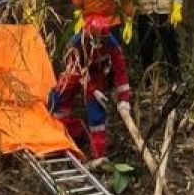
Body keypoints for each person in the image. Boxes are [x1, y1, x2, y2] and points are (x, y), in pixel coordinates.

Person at [48, 15, 132, 163]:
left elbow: (120, 69)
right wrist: (92, 89)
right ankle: (60, 129)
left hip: (97, 72)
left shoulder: (110, 42)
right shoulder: (77, 43)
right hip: (77, 71)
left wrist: (124, 98)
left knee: (96, 111)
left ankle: (97, 153)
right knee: (63, 91)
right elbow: (78, 70)